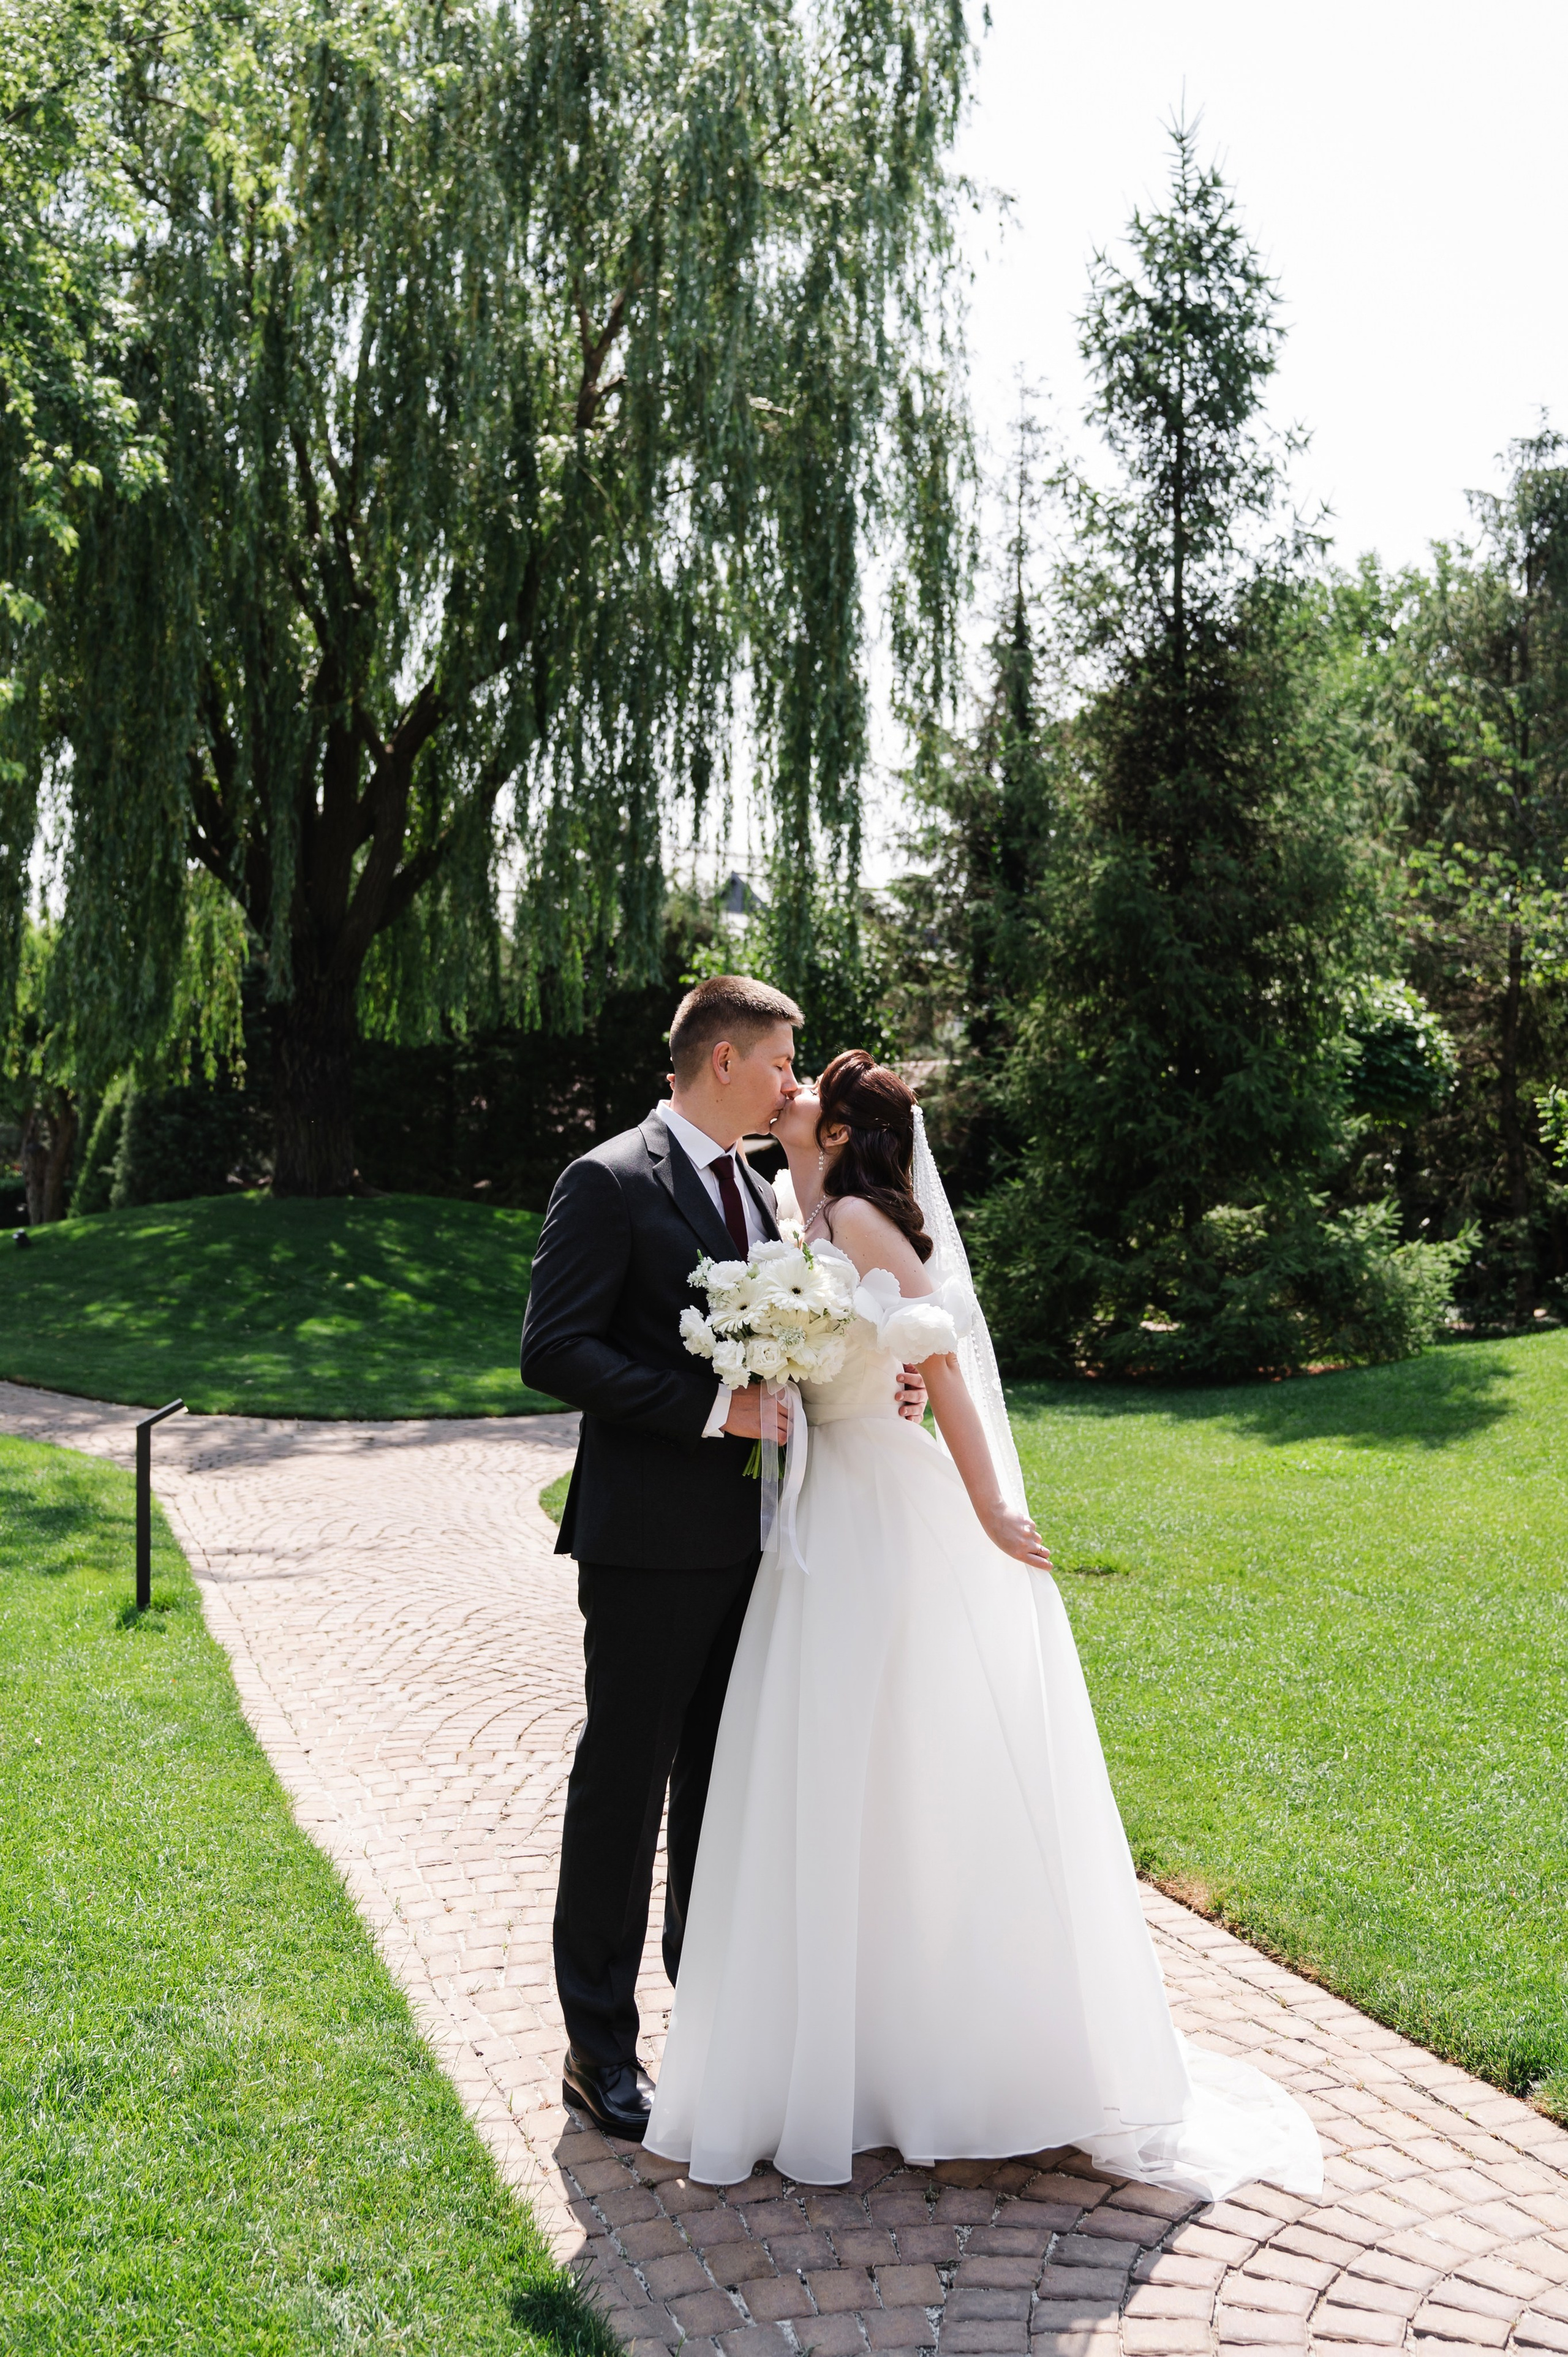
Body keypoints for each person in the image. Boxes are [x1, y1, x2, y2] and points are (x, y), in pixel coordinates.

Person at [643, 1050, 1322, 2202]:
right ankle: (860, 2069)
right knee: (840, 1784)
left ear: (839, 1132)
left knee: (917, 1775)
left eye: (805, 1089)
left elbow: (939, 1362)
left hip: (886, 1513)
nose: (786, 1094)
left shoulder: (860, 1217)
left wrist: (993, 1504)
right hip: (822, 1514)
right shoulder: (795, 1213)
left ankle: (983, 2087)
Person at [519, 981, 926, 2141]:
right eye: (784, 1060)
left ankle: (707, 2023)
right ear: (728, 1060)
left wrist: (884, 1374)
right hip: (650, 1546)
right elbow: (554, 1350)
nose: (796, 1081)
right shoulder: (609, 1179)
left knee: (719, 1788)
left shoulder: (762, 1189)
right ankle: (599, 2047)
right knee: (627, 1787)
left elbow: (810, 1334)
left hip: (764, 1541)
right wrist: (712, 1411)